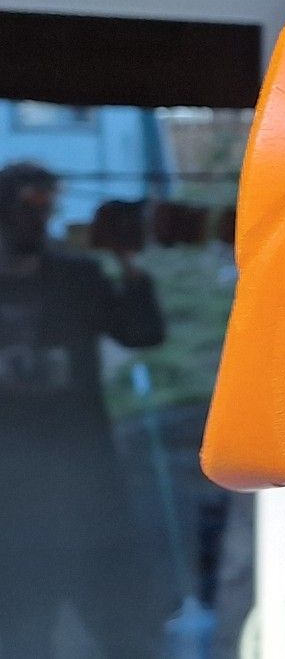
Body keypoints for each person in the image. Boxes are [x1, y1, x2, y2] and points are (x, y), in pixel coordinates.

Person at [0, 162, 167, 657]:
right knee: (21, 626)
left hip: (79, 478)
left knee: (113, 622)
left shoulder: (75, 278)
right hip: (11, 487)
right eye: (25, 212)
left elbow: (143, 332)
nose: (37, 223)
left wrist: (128, 264)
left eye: (44, 211)